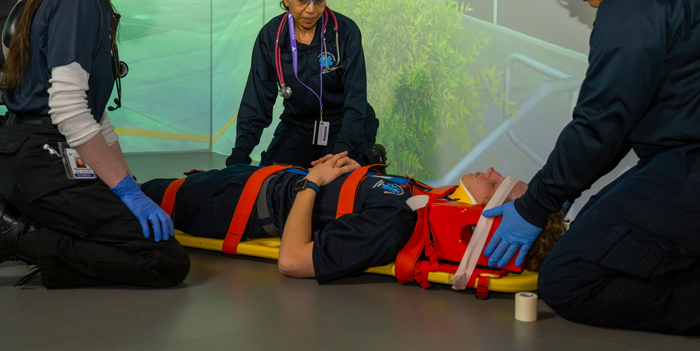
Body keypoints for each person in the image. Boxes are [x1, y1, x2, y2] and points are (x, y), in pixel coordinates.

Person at [482, 0, 700, 335]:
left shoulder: (633, 2)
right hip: (680, 158)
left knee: (568, 279)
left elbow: (602, 122)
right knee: (597, 226)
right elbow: (625, 120)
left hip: (688, 166)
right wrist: (555, 195)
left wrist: (535, 205)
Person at [0, 0, 190, 288]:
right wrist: (124, 191)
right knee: (164, 259)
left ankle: (26, 223)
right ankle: (19, 237)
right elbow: (69, 111)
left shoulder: (91, 1)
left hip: (45, 153)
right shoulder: (79, 0)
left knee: (150, 235)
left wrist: (129, 186)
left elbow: (95, 115)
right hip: (39, 157)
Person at [140, 154, 565, 283]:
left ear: (484, 215)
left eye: (500, 183)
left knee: (132, 197)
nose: (492, 171)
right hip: (253, 182)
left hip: (235, 204)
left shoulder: (398, 226)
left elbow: (292, 260)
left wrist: (312, 183)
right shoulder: (424, 202)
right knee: (138, 188)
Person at [226, 0, 381, 169]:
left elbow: (356, 99)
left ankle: (370, 156)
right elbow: (257, 101)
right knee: (275, 180)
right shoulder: (271, 37)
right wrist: (240, 153)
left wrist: (341, 151)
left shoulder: (344, 32)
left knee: (331, 179)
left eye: (319, 0)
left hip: (344, 122)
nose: (311, 9)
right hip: (297, 125)